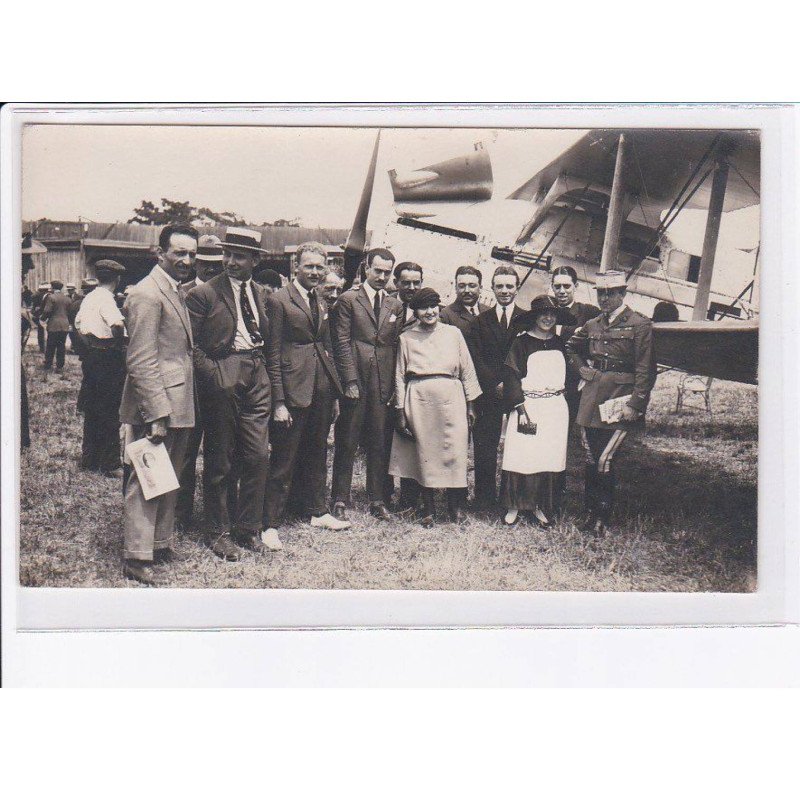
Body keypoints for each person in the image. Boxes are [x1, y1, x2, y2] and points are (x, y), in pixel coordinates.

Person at [119, 222, 198, 585]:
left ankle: (159, 544)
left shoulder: (173, 289)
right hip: (159, 404)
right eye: (179, 252)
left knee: (168, 477)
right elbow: (141, 359)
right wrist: (157, 414)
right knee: (147, 478)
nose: (186, 260)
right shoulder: (148, 293)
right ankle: (136, 556)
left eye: (191, 254)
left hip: (178, 399)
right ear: (160, 252)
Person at [186, 227, 273, 560]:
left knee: (258, 456)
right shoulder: (204, 294)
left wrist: (264, 373)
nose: (231, 262)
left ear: (254, 259)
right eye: (228, 255)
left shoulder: (263, 294)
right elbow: (190, 346)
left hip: (257, 372)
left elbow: (270, 337)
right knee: (220, 458)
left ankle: (248, 528)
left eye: (239, 256)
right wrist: (216, 376)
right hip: (224, 371)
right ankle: (218, 532)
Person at [263, 241, 349, 547]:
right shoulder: (278, 300)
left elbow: (325, 347)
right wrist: (279, 402)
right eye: (309, 266)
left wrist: (334, 392)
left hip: (321, 387)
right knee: (284, 457)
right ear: (295, 267)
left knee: (317, 450)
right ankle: (270, 522)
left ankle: (316, 509)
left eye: (319, 267)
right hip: (292, 387)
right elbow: (272, 354)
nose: (314, 272)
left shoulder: (322, 299)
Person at [566, 270, 656, 537]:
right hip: (593, 396)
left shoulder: (639, 325)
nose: (604, 298)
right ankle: (590, 513)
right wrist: (583, 370)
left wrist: (636, 404)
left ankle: (602, 518)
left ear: (622, 294)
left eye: (611, 293)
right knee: (592, 457)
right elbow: (571, 347)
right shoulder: (593, 324)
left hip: (621, 398)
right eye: (600, 293)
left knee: (606, 458)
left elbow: (646, 369)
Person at [388, 287, 481, 526]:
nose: (429, 312)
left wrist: (471, 405)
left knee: (455, 450)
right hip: (419, 399)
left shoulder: (453, 333)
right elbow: (399, 375)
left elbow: (467, 369)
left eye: (433, 307)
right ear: (416, 311)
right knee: (424, 452)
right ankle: (427, 509)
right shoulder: (406, 338)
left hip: (452, 397)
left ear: (439, 308)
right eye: (423, 308)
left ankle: (455, 507)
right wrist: (400, 410)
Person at [331, 248, 402, 521]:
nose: (382, 277)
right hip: (356, 380)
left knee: (379, 441)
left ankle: (377, 499)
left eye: (387, 272)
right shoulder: (349, 300)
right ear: (366, 269)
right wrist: (349, 381)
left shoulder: (394, 305)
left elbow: (393, 346)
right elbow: (341, 342)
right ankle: (339, 498)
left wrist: (392, 385)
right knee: (347, 439)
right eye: (378, 271)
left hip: (382, 384)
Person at [499, 295, 570, 527]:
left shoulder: (560, 343)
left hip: (555, 408)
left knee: (547, 457)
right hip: (528, 406)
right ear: (534, 317)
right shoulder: (522, 343)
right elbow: (511, 376)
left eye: (552, 314)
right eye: (543, 314)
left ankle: (539, 505)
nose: (548, 318)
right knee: (522, 455)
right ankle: (514, 506)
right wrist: (520, 408)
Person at [465, 265, 525, 510]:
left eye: (509, 286)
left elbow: (524, 357)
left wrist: (509, 384)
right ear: (492, 288)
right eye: (499, 286)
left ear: (517, 289)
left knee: (518, 446)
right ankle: (484, 500)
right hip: (488, 394)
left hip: (516, 393)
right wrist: (494, 384)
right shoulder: (481, 320)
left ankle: (513, 499)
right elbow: (475, 357)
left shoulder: (526, 319)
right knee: (485, 448)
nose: (504, 291)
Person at [175, 233, 224, 530]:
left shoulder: (227, 293)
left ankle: (214, 516)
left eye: (215, 264)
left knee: (220, 454)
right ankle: (180, 515)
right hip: (190, 386)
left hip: (219, 386)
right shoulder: (181, 293)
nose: (209, 269)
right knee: (185, 453)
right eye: (204, 263)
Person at [74, 260, 128, 476]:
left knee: (92, 407)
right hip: (107, 356)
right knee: (110, 409)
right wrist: (117, 345)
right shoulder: (107, 299)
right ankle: (111, 463)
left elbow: (77, 324)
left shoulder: (89, 297)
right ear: (117, 279)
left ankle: (89, 458)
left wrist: (88, 345)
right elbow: (117, 324)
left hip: (92, 356)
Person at [440, 265, 488, 335]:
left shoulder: (489, 312)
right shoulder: (446, 316)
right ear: (456, 288)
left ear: (480, 288)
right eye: (462, 286)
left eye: (472, 286)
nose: (467, 290)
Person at [40, 279, 72, 374]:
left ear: (53, 287)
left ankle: (48, 364)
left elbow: (47, 311)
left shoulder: (51, 297)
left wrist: (42, 319)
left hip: (54, 324)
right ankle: (60, 366)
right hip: (65, 324)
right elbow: (70, 312)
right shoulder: (67, 298)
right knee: (61, 345)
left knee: (50, 345)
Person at [393, 261, 424, 329]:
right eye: (406, 283)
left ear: (422, 282)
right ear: (395, 283)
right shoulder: (383, 303)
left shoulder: (428, 309)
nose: (412, 288)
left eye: (416, 283)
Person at [31, 283, 50, 353]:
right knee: (49, 333)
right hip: (47, 316)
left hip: (39, 316)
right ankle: (46, 348)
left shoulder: (35, 295)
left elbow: (33, 308)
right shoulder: (49, 296)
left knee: (40, 332)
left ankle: (42, 348)